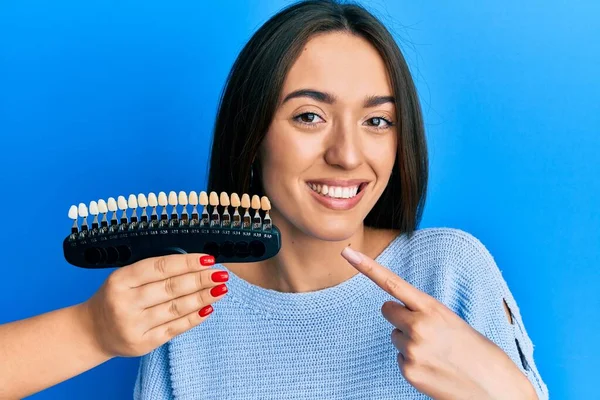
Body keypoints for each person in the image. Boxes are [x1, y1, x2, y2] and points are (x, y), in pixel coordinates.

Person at [0, 1, 548, 399]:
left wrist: (501, 392)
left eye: (377, 120)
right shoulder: (190, 303)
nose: (347, 154)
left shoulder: (449, 272)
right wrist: (89, 330)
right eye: (310, 116)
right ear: (253, 134)